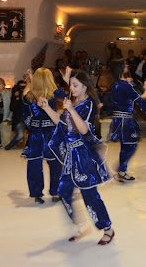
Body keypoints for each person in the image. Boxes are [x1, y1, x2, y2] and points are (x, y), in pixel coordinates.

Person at [45, 69, 115, 245]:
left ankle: (108, 229)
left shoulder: (88, 104)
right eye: (70, 85)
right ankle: (82, 225)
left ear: (85, 86)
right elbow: (60, 123)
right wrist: (46, 107)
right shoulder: (73, 103)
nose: (72, 88)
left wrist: (70, 110)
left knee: (90, 195)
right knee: (64, 192)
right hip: (70, 156)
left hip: (83, 155)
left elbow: (84, 130)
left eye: (75, 85)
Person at [21, 68, 62, 204]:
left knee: (34, 164)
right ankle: (56, 192)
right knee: (55, 164)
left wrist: (31, 124)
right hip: (51, 133)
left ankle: (37, 193)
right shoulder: (55, 94)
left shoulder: (29, 97)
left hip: (36, 134)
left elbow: (25, 114)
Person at [108, 62, 146, 182]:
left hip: (119, 118)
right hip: (125, 120)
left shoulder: (116, 84)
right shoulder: (125, 85)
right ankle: (121, 169)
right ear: (121, 69)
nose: (128, 66)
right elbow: (139, 100)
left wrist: (127, 83)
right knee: (131, 145)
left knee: (125, 145)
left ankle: (121, 170)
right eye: (125, 65)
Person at [4, 80, 27, 150]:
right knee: (20, 135)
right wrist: (17, 98)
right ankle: (8, 146)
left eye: (23, 87)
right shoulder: (15, 98)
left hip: (29, 119)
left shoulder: (28, 97)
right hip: (19, 120)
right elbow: (12, 108)